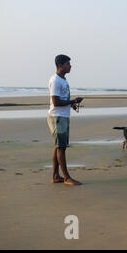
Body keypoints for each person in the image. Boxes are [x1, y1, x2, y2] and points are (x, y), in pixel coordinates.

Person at [47, 54, 84, 185]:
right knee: (61, 148)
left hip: (62, 116)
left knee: (58, 147)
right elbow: (56, 102)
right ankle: (67, 178)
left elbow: (63, 98)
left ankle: (56, 176)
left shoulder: (63, 79)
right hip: (57, 117)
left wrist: (72, 104)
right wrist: (73, 100)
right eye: (68, 64)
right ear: (60, 65)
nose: (70, 66)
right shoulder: (56, 80)